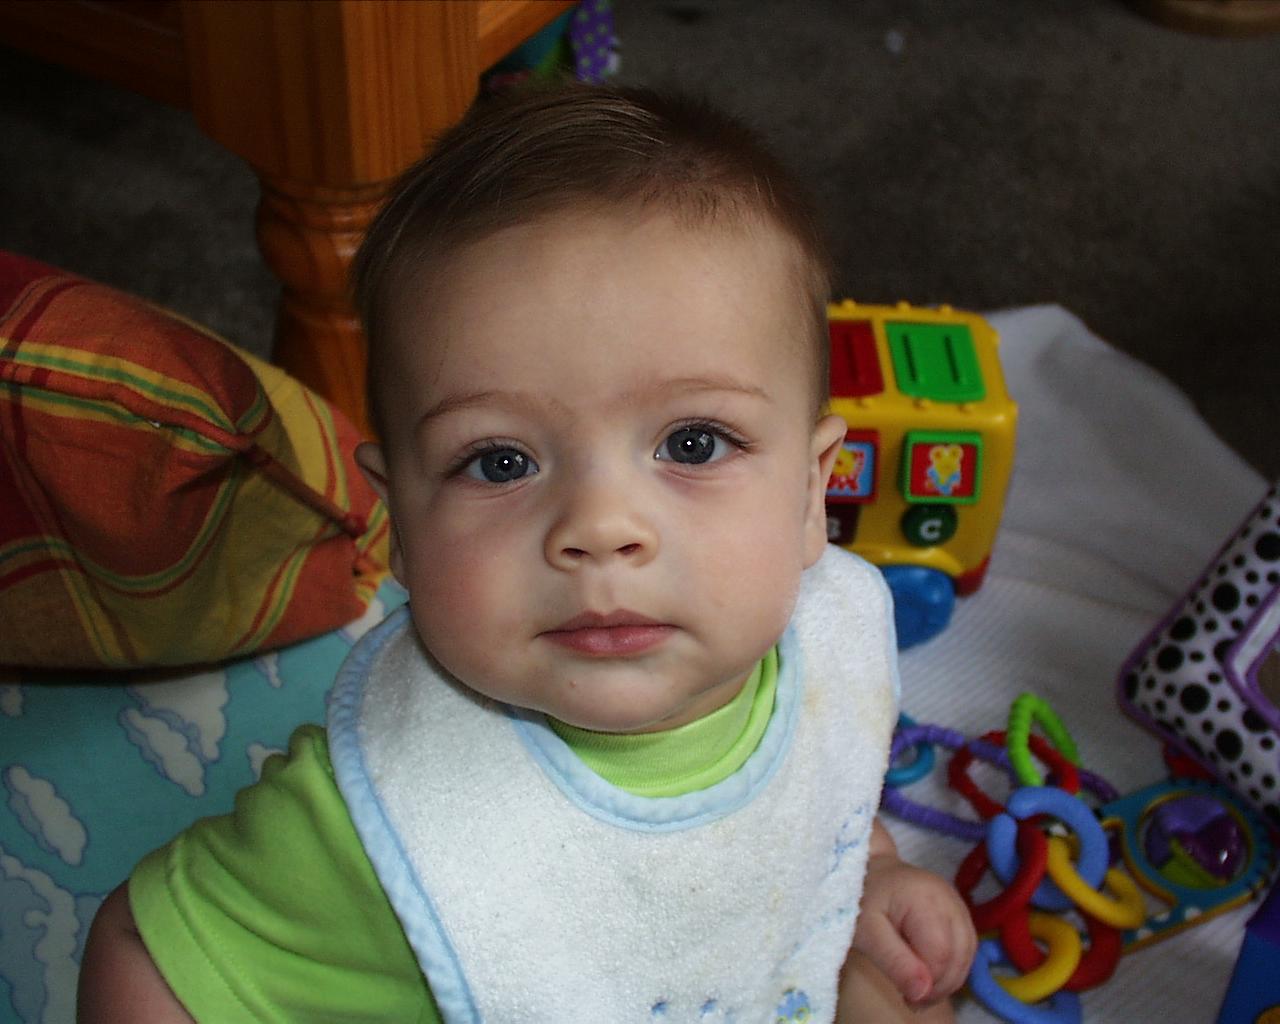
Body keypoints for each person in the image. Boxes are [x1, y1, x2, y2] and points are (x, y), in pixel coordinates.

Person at [79, 84, 975, 1023]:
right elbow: (140, 946)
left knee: (898, 999)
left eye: (693, 443)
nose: (600, 526)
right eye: (499, 462)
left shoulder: (827, 649)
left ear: (809, 495)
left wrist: (866, 879)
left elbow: (810, 797)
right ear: (400, 525)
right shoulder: (391, 813)